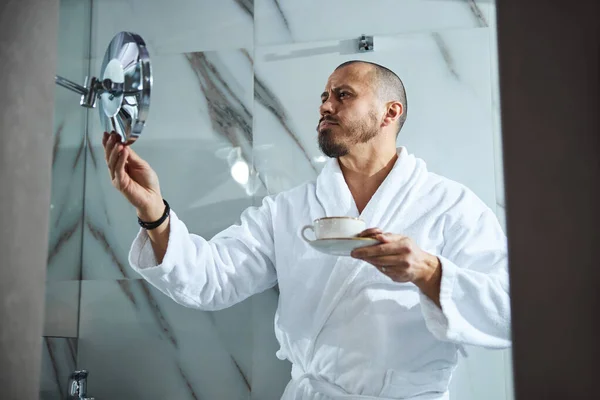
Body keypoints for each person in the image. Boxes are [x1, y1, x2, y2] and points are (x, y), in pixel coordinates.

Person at [103, 60, 511, 400]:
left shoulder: (451, 207)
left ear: (390, 112)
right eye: (324, 96)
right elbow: (210, 279)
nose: (325, 106)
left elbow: (510, 312)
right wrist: (155, 213)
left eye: (343, 95)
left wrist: (429, 272)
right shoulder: (289, 209)